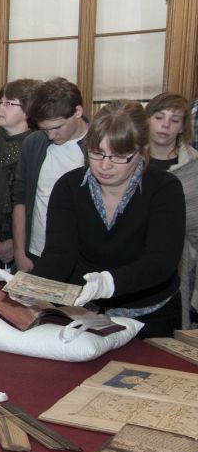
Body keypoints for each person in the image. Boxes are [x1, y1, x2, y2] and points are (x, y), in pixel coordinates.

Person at [32, 100, 184, 338]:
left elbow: (161, 262)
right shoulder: (69, 187)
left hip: (150, 314)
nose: (105, 165)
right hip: (86, 314)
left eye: (119, 156)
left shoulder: (164, 188)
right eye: (97, 153)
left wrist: (108, 283)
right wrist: (30, 286)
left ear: (142, 150)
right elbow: (59, 254)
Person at [12, 77, 88, 273]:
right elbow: (20, 199)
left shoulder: (101, 147)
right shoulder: (33, 143)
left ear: (78, 112)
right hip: (37, 254)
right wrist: (19, 252)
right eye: (44, 130)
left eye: (57, 128)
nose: (51, 136)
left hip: (82, 258)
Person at [145, 93, 198, 327]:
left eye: (174, 120)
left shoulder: (194, 166)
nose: (165, 125)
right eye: (159, 117)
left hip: (183, 263)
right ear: (147, 119)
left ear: (182, 127)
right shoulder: (128, 160)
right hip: (135, 257)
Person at [0, 78, 40, 271]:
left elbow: (39, 206)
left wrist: (17, 243)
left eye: (8, 103)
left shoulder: (38, 149)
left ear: (28, 111)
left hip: (26, 250)